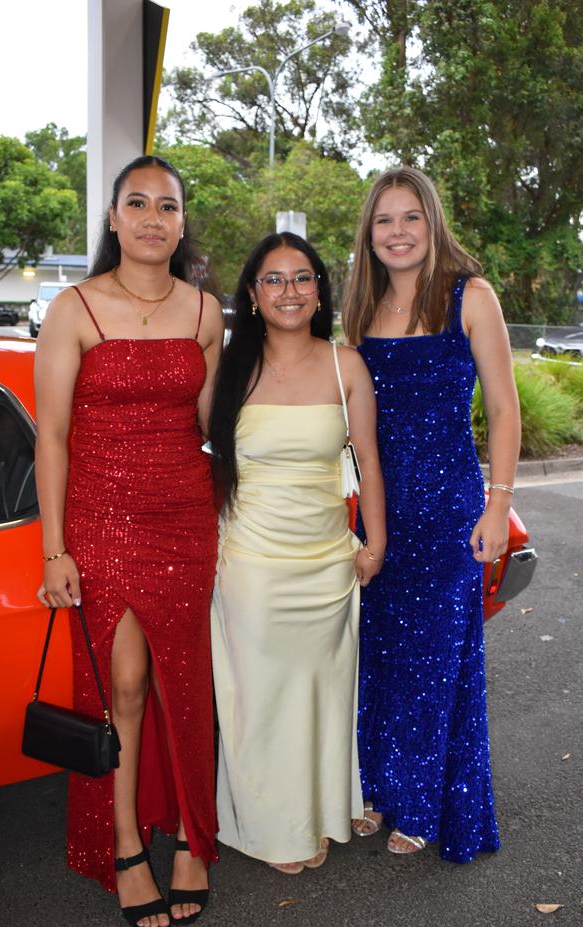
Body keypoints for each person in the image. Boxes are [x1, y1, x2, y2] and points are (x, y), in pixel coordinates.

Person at [34, 155, 223, 927]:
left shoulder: (206, 312)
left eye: (167, 206)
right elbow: (50, 435)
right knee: (127, 684)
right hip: (103, 518)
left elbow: (213, 428)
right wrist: (54, 549)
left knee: (187, 679)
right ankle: (122, 840)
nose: (153, 217)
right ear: (112, 218)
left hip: (184, 514)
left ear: (181, 223)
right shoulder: (74, 308)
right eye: (137, 204)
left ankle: (187, 834)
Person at [342, 166, 520, 863]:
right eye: (384, 220)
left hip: (448, 506)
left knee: (435, 656)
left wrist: (498, 504)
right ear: (370, 233)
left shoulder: (468, 296)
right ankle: (379, 788)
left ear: (432, 222)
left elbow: (504, 409)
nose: (398, 232)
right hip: (382, 505)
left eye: (410, 217)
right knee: (378, 652)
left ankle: (422, 801)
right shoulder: (361, 310)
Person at [208, 233, 386, 874]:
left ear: (320, 291)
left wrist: (376, 539)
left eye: (302, 278)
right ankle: (267, 828)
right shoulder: (226, 368)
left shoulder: (347, 365)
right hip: (251, 560)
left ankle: (314, 812)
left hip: (325, 562)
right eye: (274, 279)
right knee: (258, 698)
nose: (290, 291)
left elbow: (367, 460)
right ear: (252, 295)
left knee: (319, 693)